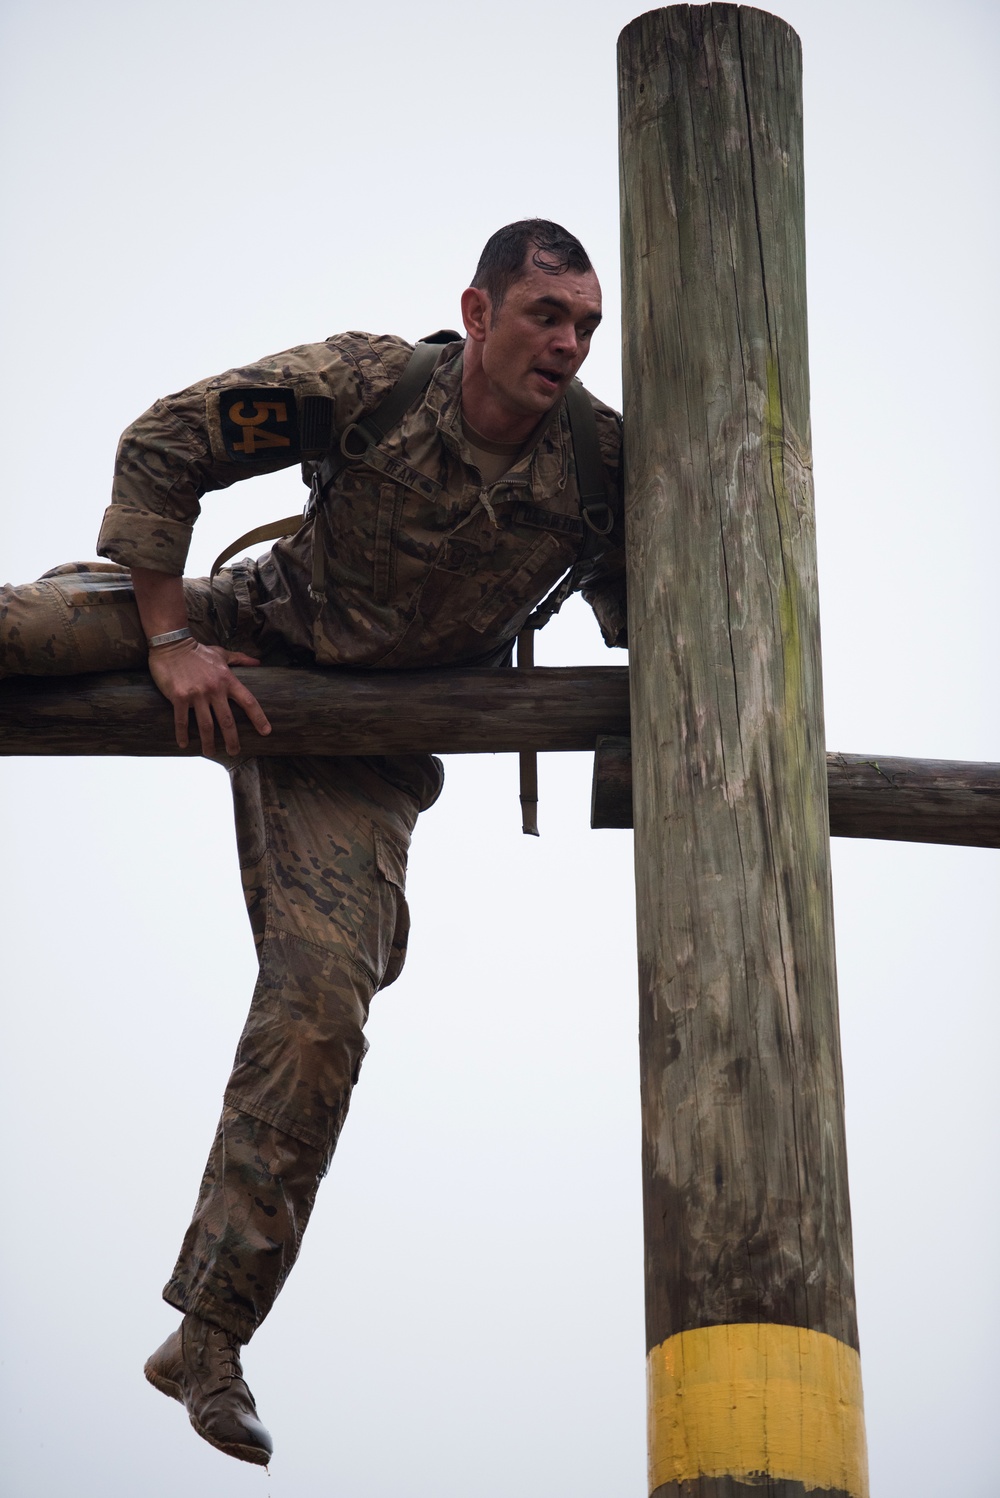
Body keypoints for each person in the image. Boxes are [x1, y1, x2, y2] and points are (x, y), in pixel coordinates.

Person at [0, 219, 626, 1465]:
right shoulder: (370, 385)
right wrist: (172, 638)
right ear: (481, 309)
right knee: (18, 633)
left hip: (363, 747)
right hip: (244, 624)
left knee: (318, 1010)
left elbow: (656, 612)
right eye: (545, 315)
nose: (566, 343)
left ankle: (210, 1335)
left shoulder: (601, 469)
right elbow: (167, 438)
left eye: (585, 325)